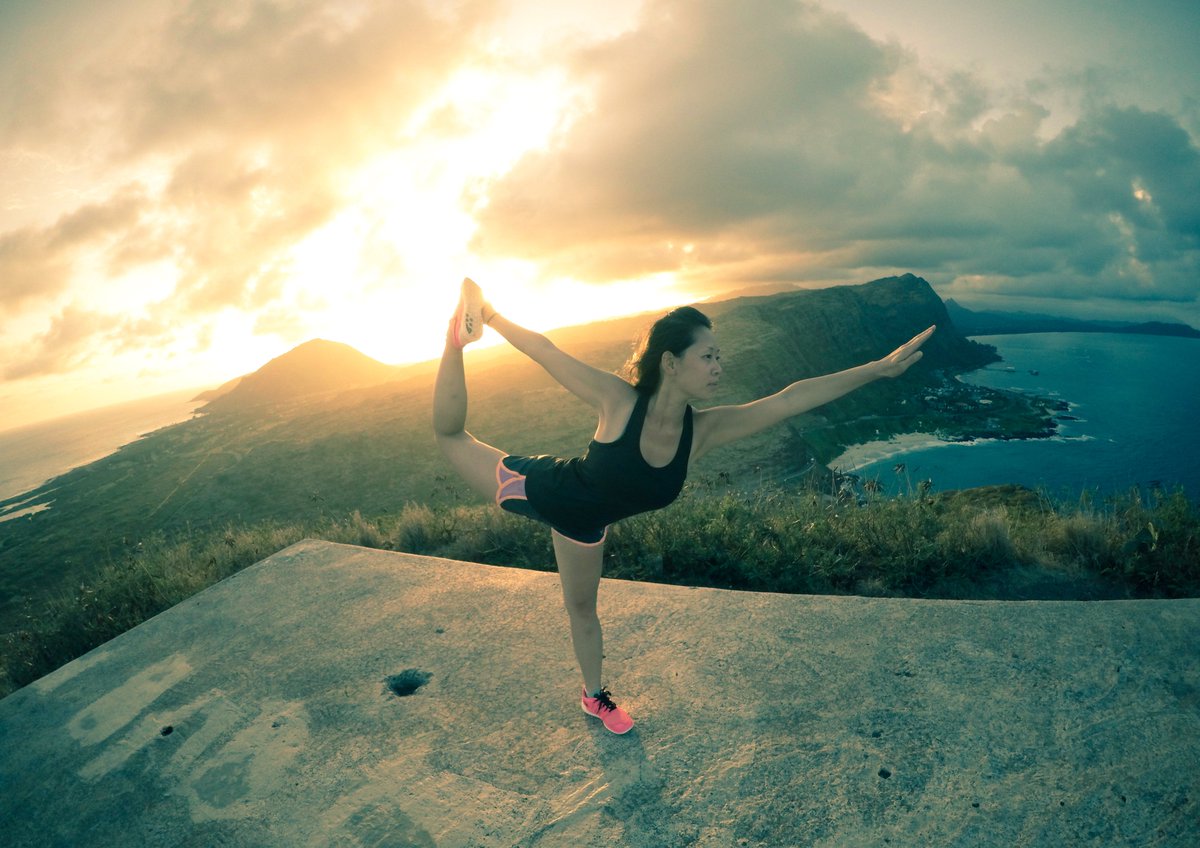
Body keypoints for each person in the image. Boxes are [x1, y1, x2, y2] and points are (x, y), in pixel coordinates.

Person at [433, 277, 934, 734]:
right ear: (671, 363)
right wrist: (492, 317)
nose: (719, 366)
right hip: (534, 486)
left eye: (719, 356)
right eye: (708, 356)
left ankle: (593, 698)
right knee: (451, 434)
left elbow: (789, 399)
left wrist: (878, 370)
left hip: (586, 527)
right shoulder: (618, 401)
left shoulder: (703, 431)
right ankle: (458, 336)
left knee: (582, 609)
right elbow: (545, 350)